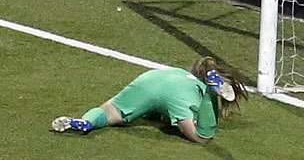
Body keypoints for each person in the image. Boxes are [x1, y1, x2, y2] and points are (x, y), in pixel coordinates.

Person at [51, 55, 244, 144]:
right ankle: (213, 91)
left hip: (150, 80)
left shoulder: (177, 72)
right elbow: (197, 123)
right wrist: (210, 97)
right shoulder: (196, 90)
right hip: (176, 95)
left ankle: (86, 122)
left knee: (110, 111)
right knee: (202, 137)